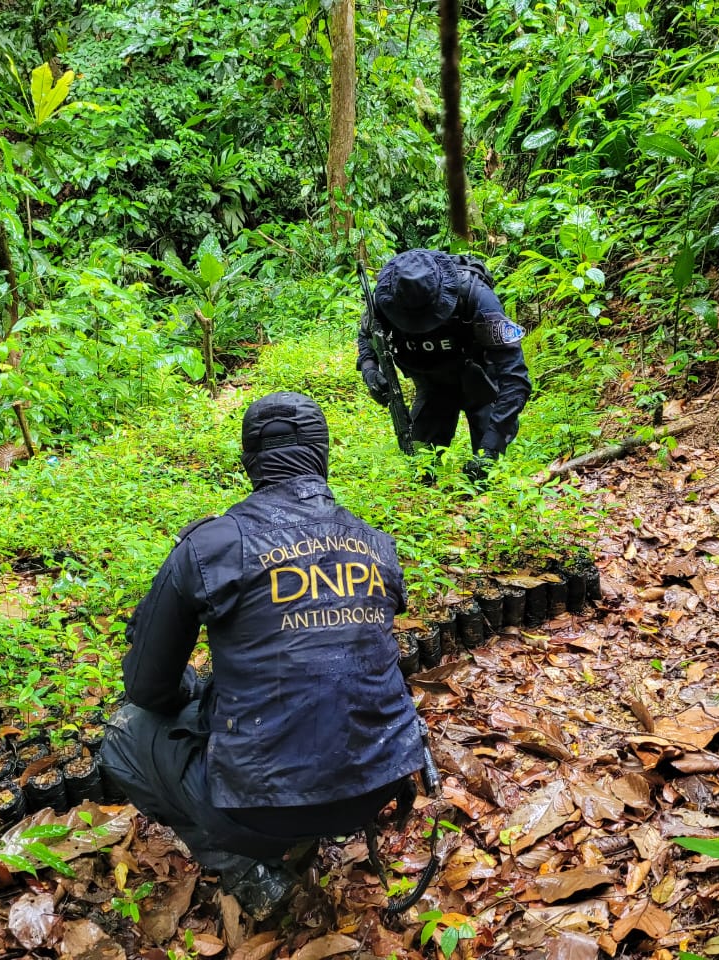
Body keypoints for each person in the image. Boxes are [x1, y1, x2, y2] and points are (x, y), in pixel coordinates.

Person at [98, 391, 425, 920]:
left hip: (256, 809)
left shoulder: (210, 547)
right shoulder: (374, 544)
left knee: (125, 734)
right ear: (323, 455)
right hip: (377, 787)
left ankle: (243, 863)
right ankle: (310, 829)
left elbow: (146, 688)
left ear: (250, 463)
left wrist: (193, 689)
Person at [358, 248, 532, 480]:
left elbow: (515, 377)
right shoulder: (386, 299)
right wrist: (370, 369)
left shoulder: (475, 296)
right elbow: (366, 335)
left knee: (487, 474)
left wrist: (491, 446)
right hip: (432, 386)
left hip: (481, 384)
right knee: (420, 469)